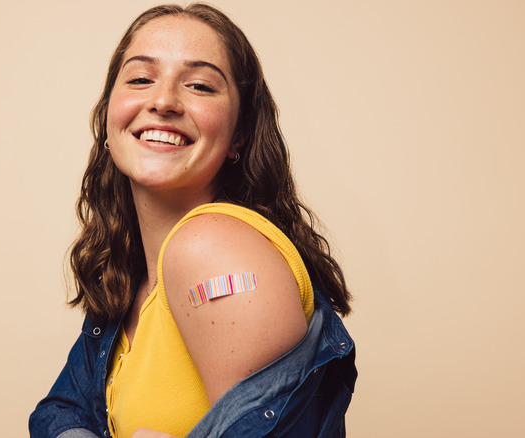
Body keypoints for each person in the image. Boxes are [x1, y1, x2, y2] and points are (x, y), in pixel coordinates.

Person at [29, 4, 356, 437]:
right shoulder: (131, 278)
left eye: (200, 85)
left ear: (239, 134)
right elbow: (59, 412)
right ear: (109, 119)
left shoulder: (210, 247)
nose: (163, 101)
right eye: (141, 78)